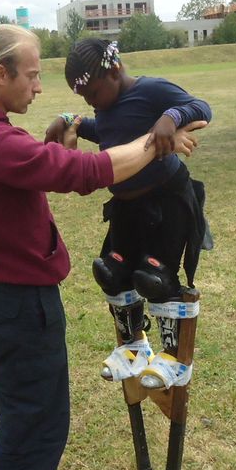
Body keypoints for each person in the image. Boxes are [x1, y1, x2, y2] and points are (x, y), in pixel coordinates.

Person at [0, 25, 203, 470]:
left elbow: (58, 158)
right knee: (38, 418)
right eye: (31, 75)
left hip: (6, 295)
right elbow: (85, 174)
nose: (39, 86)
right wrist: (159, 142)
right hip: (21, 301)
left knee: (23, 407)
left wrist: (79, 133)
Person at [44, 39, 212, 389]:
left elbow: (200, 107)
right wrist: (68, 120)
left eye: (92, 92)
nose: (90, 101)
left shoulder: (150, 90)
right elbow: (104, 129)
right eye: (83, 98)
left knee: (156, 276)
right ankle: (133, 347)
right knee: (112, 270)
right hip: (126, 206)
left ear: (115, 70)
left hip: (165, 199)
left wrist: (170, 117)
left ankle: (174, 359)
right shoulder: (106, 105)